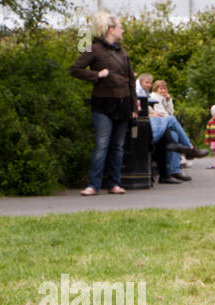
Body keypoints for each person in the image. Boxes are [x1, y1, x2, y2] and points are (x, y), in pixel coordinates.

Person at [70, 10, 137, 196]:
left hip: (122, 104)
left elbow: (131, 80)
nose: (123, 30)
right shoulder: (93, 48)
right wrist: (97, 75)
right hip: (102, 104)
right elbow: (75, 69)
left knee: (118, 146)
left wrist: (133, 107)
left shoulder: (123, 52)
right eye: (120, 27)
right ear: (111, 29)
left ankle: (115, 184)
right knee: (102, 144)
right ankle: (93, 185)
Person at [149, 78, 207, 177]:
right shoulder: (153, 97)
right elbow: (165, 116)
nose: (163, 91)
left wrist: (169, 101)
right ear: (155, 89)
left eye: (165, 89)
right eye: (161, 89)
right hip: (158, 126)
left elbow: (171, 112)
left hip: (163, 125)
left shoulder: (163, 99)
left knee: (174, 137)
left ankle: (174, 171)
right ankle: (190, 148)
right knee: (172, 119)